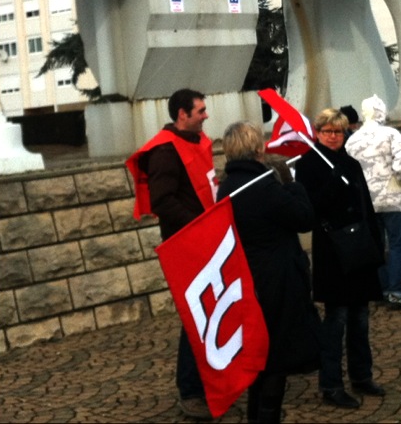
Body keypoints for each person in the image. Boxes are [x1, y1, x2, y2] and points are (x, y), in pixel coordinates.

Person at [216, 122, 320, 424]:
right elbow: (304, 217)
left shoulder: (227, 186)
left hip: (247, 280)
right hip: (277, 281)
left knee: (260, 359)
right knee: (276, 360)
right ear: (257, 148)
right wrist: (294, 183)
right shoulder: (262, 186)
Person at [126, 89, 216, 421]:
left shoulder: (195, 141)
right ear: (182, 114)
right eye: (201, 111)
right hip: (188, 244)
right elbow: (163, 202)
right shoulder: (165, 151)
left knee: (207, 313)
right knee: (196, 316)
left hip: (207, 240)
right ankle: (191, 390)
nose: (206, 116)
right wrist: (202, 224)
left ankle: (207, 384)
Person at [296, 108, 386, 409]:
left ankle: (362, 375)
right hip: (334, 251)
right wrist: (333, 182)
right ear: (318, 133)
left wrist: (376, 240)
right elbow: (310, 210)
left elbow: (365, 205)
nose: (334, 136)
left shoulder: (351, 162)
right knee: (337, 319)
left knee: (360, 317)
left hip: (359, 247)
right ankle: (330, 383)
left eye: (338, 131)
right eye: (328, 131)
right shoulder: (309, 165)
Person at [345, 94, 401, 310]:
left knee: (377, 246)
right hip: (392, 199)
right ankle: (396, 291)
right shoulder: (391, 134)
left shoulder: (353, 140)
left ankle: (382, 287)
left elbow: (348, 170)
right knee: (397, 244)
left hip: (367, 201)